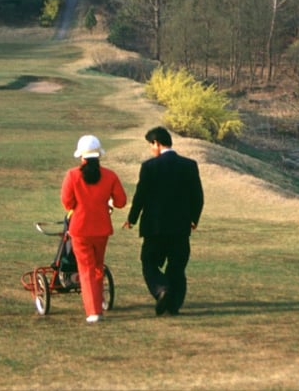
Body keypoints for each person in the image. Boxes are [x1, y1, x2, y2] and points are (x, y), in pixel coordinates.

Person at [123, 126, 204, 316]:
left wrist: (132, 219)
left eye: (151, 145)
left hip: (154, 227)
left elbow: (140, 196)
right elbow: (198, 196)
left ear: (156, 143)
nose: (151, 150)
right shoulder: (189, 165)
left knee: (149, 262)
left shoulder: (149, 167)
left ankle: (161, 290)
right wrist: (194, 219)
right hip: (180, 227)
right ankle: (174, 305)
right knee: (177, 265)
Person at [60, 134, 127, 324]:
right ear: (99, 155)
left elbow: (67, 203)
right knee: (98, 267)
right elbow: (121, 201)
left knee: (86, 270)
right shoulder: (110, 175)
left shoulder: (72, 175)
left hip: (80, 229)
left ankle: (94, 310)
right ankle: (99, 301)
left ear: (81, 156)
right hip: (102, 229)